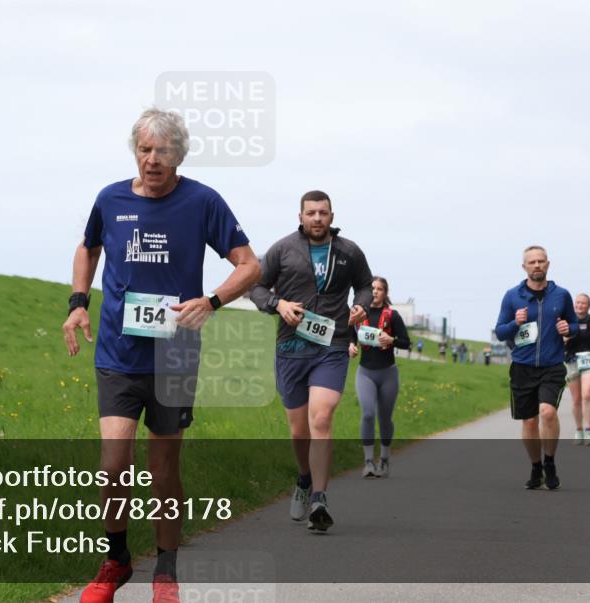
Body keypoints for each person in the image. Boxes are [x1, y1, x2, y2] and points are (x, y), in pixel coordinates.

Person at [62, 108, 261, 603]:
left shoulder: (202, 201)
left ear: (179, 155)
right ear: (135, 151)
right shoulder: (109, 199)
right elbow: (88, 248)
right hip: (117, 351)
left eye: (163, 152)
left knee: (164, 468)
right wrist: (78, 303)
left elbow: (250, 265)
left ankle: (167, 571)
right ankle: (117, 560)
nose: (152, 160)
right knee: (113, 464)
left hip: (174, 352)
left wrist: (211, 301)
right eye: (145, 150)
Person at [249, 190, 373, 533]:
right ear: (300, 216)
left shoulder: (349, 251)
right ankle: (304, 478)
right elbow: (256, 287)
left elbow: (364, 285)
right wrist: (279, 305)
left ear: (332, 216)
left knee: (321, 416)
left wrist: (361, 304)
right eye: (311, 213)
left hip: (332, 344)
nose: (317, 218)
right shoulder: (283, 249)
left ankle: (319, 497)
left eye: (323, 213)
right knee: (299, 429)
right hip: (291, 347)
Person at [494, 246, 578, 491]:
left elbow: (573, 324)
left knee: (548, 412)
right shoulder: (512, 296)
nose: (537, 265)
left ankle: (549, 462)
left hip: (552, 365)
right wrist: (514, 322)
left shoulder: (561, 295)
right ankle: (535, 466)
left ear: (548, 264)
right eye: (532, 262)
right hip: (522, 366)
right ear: (524, 267)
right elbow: (500, 331)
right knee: (529, 421)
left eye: (541, 261)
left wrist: (568, 330)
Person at [347, 276, 411, 479]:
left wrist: (391, 339)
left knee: (384, 418)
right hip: (365, 372)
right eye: (372, 288)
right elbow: (348, 335)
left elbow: (406, 342)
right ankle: (368, 462)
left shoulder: (392, 315)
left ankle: (384, 458)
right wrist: (350, 345)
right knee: (367, 414)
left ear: (385, 293)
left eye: (379, 289)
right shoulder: (356, 314)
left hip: (388, 373)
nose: (375, 292)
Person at [563, 294, 590, 446]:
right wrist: (563, 339)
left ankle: (588, 429)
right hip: (572, 360)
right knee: (577, 399)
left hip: (589, 359)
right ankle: (579, 429)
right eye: (578, 303)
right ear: (574, 304)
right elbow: (558, 339)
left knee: (587, 395)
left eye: (583, 303)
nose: (580, 305)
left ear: (588, 306)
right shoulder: (566, 320)